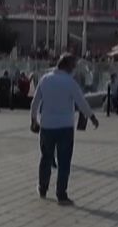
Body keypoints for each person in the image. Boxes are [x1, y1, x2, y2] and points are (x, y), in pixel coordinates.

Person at [30, 54, 98, 206]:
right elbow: (81, 101)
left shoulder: (45, 79)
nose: (74, 68)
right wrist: (92, 117)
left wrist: (34, 119)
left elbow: (35, 102)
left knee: (46, 158)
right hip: (65, 127)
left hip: (47, 126)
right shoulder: (70, 82)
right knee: (64, 162)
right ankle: (61, 195)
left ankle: (42, 187)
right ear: (67, 66)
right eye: (73, 65)